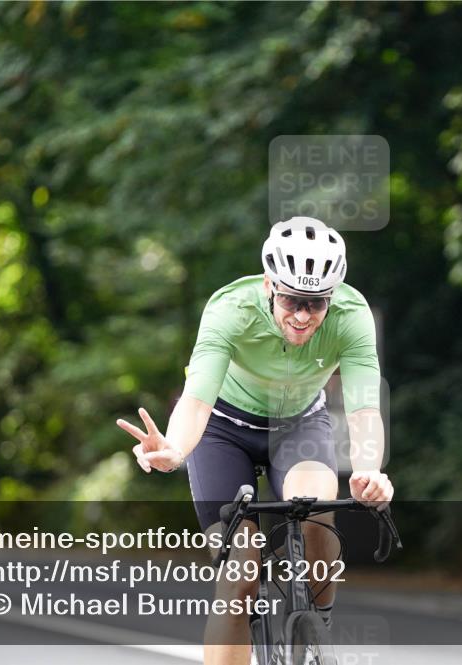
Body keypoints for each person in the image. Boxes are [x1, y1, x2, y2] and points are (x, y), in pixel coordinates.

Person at [118, 216, 393, 665]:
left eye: (316, 303)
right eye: (291, 299)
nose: (303, 316)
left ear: (333, 296)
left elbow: (364, 409)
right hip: (223, 430)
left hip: (298, 426)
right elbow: (198, 398)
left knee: (318, 512)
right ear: (269, 284)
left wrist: (368, 469)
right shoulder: (230, 309)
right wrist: (175, 449)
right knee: (239, 577)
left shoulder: (351, 315)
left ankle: (316, 623)